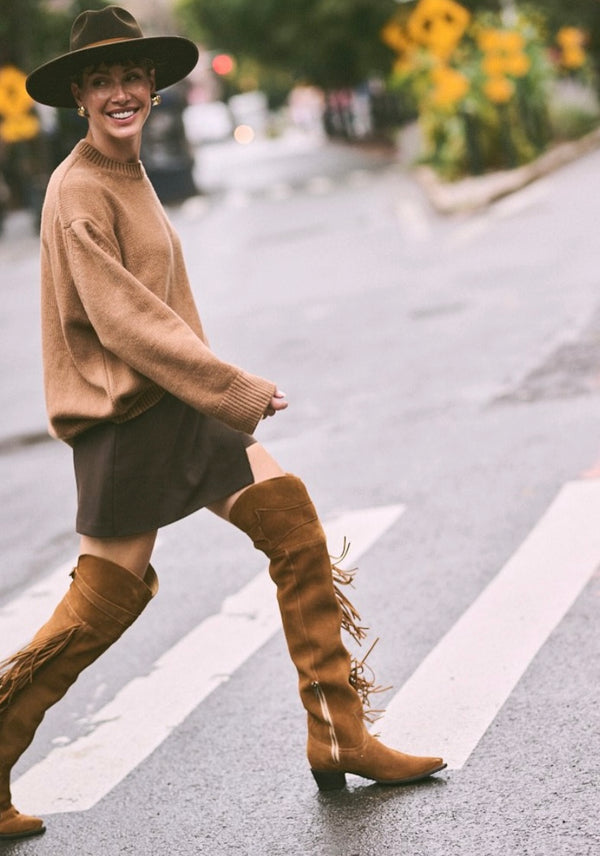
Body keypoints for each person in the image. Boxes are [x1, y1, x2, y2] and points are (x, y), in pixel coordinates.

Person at [0, 6, 445, 840]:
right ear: (81, 97)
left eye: (132, 76)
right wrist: (232, 386)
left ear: (155, 88)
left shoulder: (126, 174)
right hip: (128, 423)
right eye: (101, 81)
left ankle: (338, 731)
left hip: (172, 409)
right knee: (103, 603)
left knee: (292, 522)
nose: (120, 92)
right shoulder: (76, 189)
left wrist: (210, 393)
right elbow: (127, 321)